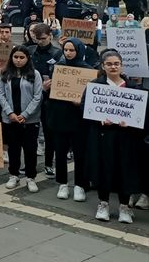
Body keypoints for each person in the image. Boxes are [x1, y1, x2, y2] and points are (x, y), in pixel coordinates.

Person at [84, 50, 143, 223]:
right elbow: (84, 108)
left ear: (121, 65)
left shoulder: (132, 87)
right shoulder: (96, 86)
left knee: (125, 170)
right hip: (104, 137)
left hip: (126, 138)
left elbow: (141, 114)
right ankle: (103, 204)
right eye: (109, 64)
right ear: (103, 66)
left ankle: (124, 207)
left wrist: (131, 122)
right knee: (105, 169)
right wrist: (101, 121)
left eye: (116, 63)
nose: (113, 66)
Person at [48, 38, 91, 202]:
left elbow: (91, 98)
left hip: (79, 120)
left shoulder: (88, 70)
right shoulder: (59, 68)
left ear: (79, 50)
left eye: (72, 50)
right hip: (61, 117)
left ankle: (80, 185)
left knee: (80, 154)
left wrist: (81, 102)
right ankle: (62, 183)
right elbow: (53, 94)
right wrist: (48, 88)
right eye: (66, 50)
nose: (68, 53)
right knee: (60, 153)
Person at [0, 45, 43, 192]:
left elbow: (38, 96)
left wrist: (25, 114)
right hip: (10, 118)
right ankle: (13, 174)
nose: (18, 60)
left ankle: (31, 177)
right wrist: (10, 113)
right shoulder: (5, 74)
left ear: (27, 58)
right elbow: (1, 94)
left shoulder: (34, 74)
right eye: (15, 57)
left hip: (29, 119)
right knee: (13, 149)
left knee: (30, 149)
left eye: (21, 57)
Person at [28, 23, 62, 177]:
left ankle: (49, 163)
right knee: (30, 134)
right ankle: (29, 166)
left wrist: (54, 82)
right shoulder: (30, 51)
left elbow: (65, 76)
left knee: (49, 132)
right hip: (31, 96)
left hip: (50, 98)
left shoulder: (58, 53)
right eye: (37, 39)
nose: (40, 42)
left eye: (43, 38)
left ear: (50, 36)